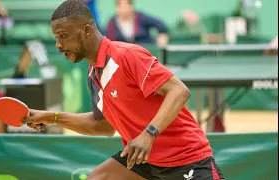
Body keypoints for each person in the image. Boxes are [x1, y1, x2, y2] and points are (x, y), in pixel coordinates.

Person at [22, 1, 224, 179]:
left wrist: (148, 134)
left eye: (63, 36)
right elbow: (101, 126)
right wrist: (51, 117)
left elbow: (179, 91)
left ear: (86, 30)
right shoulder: (94, 75)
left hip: (185, 158)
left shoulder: (126, 56)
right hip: (142, 159)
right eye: (56, 37)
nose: (58, 45)